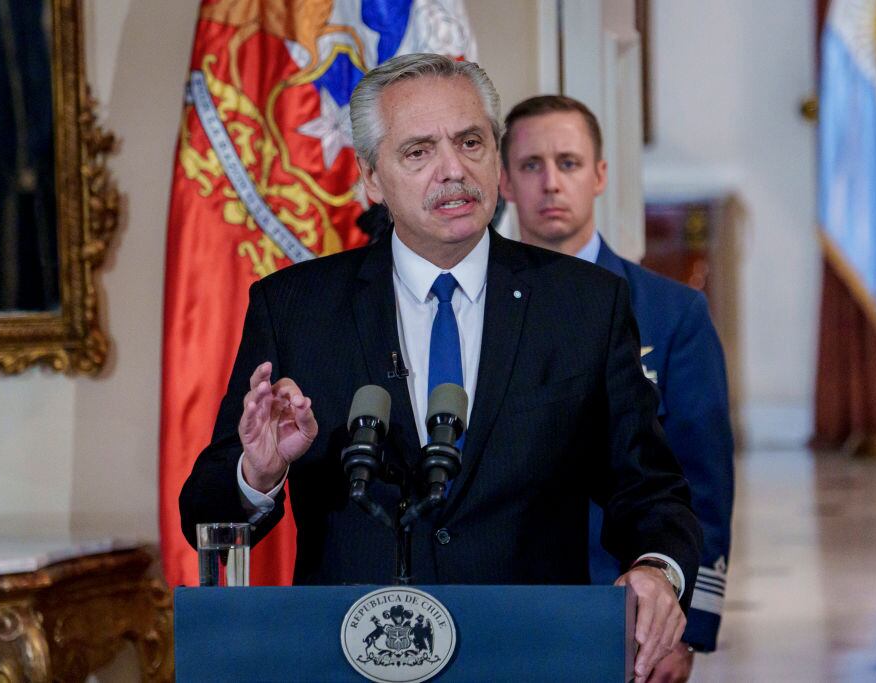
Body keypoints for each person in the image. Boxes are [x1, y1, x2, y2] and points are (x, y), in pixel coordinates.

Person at [179, 53, 701, 682]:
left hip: (530, 655)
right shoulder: (295, 308)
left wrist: (655, 568)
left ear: (496, 156)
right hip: (351, 659)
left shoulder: (584, 305)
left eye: (470, 142)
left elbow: (649, 489)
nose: (453, 171)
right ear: (372, 178)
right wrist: (256, 471)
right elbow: (203, 513)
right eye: (419, 152)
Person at [500, 95, 735, 682]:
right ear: (503, 181)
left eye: (570, 162)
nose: (551, 183)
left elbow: (701, 480)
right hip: (502, 606)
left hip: (625, 609)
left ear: (601, 175)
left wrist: (686, 623)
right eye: (531, 165)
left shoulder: (672, 312)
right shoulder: (475, 308)